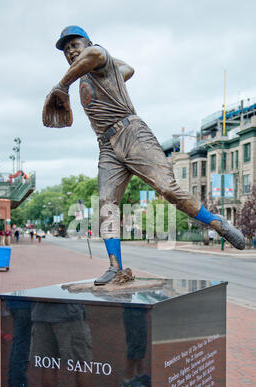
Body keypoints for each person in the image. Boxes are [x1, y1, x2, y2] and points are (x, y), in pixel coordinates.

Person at [43, 26, 245, 285]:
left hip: (131, 133)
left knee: (167, 189)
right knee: (107, 205)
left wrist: (61, 85)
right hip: (106, 146)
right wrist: (112, 77)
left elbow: (94, 56)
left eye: (74, 44)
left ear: (88, 43)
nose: (71, 50)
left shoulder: (95, 54)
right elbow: (128, 69)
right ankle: (115, 267)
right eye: (66, 49)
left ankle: (217, 223)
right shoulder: (86, 75)